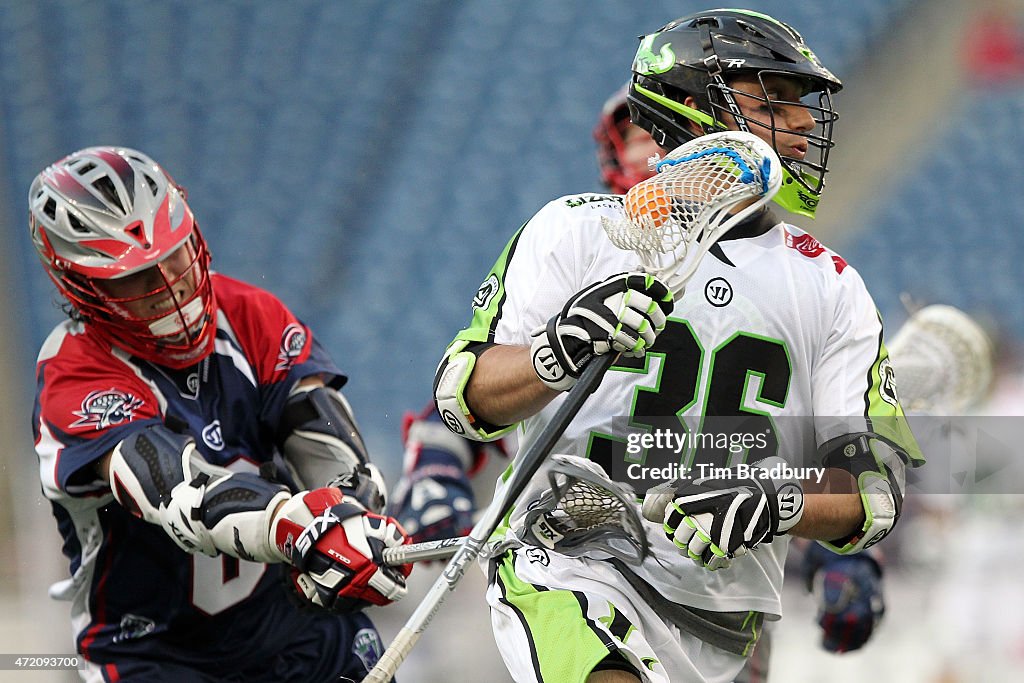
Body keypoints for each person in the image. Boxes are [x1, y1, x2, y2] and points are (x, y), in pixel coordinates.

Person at [430, 9, 921, 682]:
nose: (805, 121)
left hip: (726, 619)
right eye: (774, 100)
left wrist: (777, 497)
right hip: (571, 567)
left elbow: (873, 490)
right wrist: (555, 352)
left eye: (801, 102)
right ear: (692, 108)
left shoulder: (831, 286)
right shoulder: (575, 232)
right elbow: (463, 396)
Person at [29, 146, 412, 682]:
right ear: (83, 290)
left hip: (291, 625)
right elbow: (180, 494)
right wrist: (299, 526)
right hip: (157, 654)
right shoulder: (75, 376)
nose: (170, 287)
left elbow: (322, 437)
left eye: (176, 256)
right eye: (136, 279)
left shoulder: (251, 312)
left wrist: (351, 518)